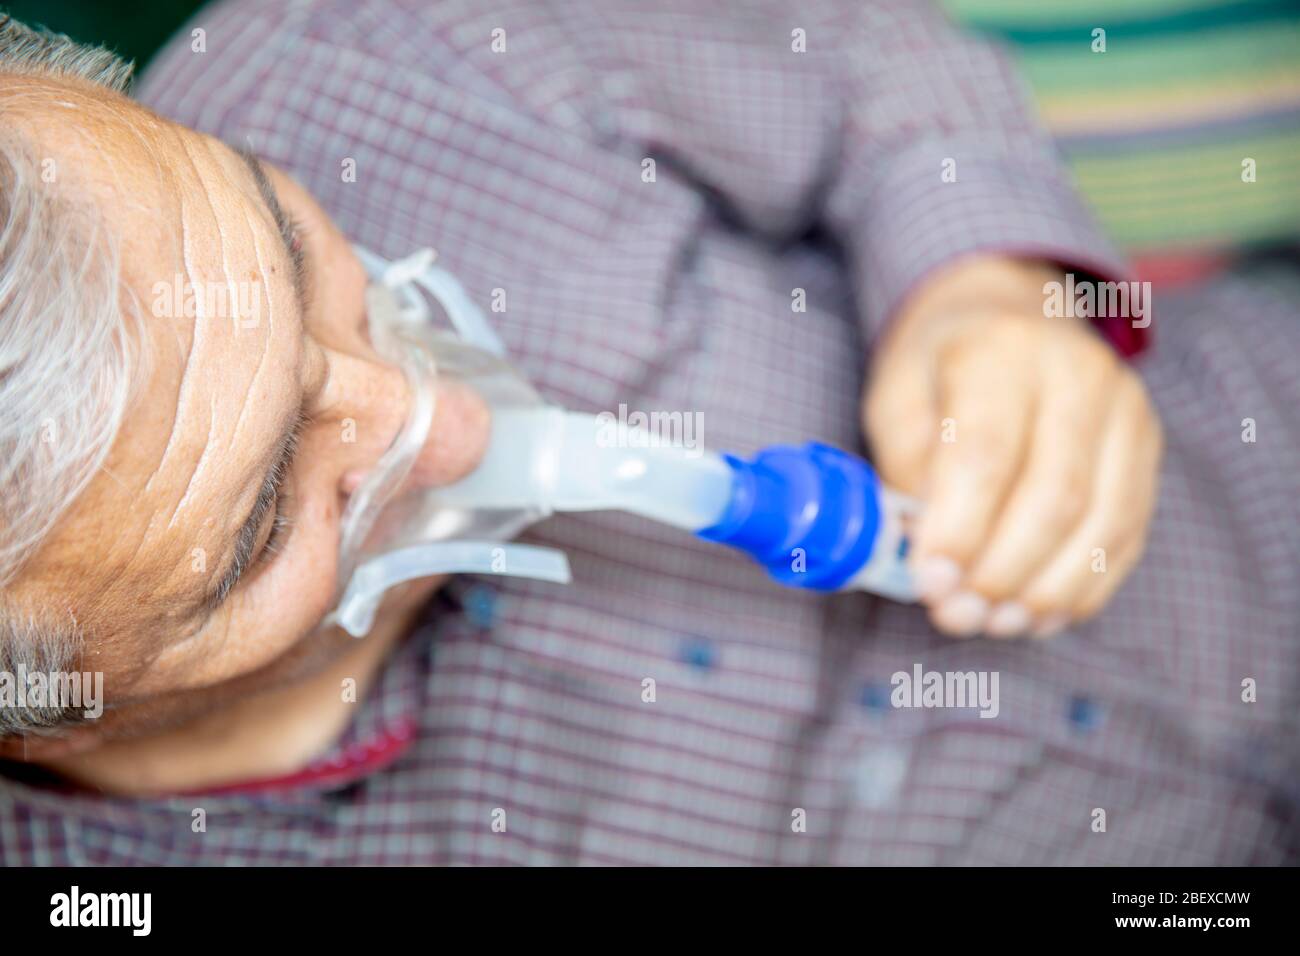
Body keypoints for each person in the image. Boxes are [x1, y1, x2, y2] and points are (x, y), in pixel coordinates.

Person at [0, 1, 1292, 865]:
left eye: (291, 247)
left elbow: (851, 58)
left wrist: (988, 283)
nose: (449, 420)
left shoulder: (383, 54)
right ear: (47, 715)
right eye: (272, 516)